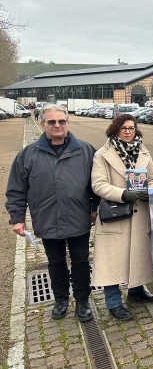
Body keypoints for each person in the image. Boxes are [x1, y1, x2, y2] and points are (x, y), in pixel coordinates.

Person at [6, 104, 98, 322]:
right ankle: (61, 299)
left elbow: (97, 184)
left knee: (81, 261)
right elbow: (16, 189)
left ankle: (83, 300)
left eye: (62, 121)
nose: (57, 125)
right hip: (47, 218)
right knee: (55, 262)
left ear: (68, 123)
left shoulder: (85, 151)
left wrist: (94, 208)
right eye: (52, 122)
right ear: (42, 124)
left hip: (78, 217)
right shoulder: (28, 155)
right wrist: (17, 218)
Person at [91, 114, 153, 321]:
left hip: (139, 213)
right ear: (115, 130)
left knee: (138, 255)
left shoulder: (143, 151)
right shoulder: (103, 154)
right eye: (124, 128)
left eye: (132, 128)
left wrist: (150, 190)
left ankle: (136, 290)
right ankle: (113, 302)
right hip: (115, 212)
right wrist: (122, 194)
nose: (129, 132)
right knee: (111, 261)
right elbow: (98, 184)